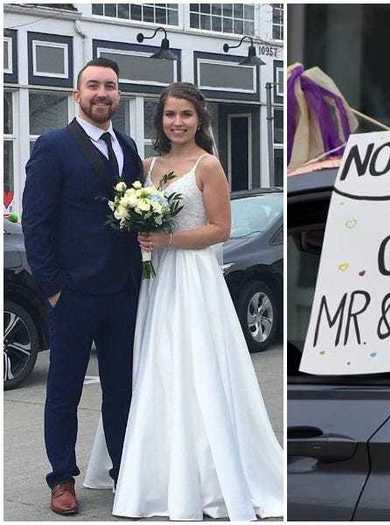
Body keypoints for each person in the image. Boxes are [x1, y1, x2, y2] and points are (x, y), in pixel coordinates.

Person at [83, 82, 284, 520]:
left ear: (199, 120)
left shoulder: (208, 165)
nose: (178, 122)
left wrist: (168, 238)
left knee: (197, 367)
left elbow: (221, 228)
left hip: (193, 278)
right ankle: (153, 475)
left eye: (186, 115)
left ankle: (207, 478)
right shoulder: (147, 164)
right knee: (156, 366)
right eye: (171, 114)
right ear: (161, 120)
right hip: (154, 282)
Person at [22, 57, 143, 515]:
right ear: (77, 94)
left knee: (121, 389)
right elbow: (36, 221)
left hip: (122, 291)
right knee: (65, 390)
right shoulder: (53, 145)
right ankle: (62, 479)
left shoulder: (127, 146)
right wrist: (52, 288)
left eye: (110, 86)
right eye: (93, 86)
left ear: (118, 95)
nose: (102, 94)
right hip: (72, 294)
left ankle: (124, 471)